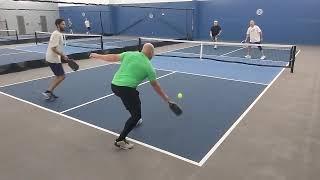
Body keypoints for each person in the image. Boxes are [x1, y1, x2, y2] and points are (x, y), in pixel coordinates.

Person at [89, 43, 173, 150]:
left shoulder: (129, 54)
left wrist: (97, 55)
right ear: (151, 53)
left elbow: (112, 57)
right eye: (154, 53)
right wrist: (167, 99)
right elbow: (156, 86)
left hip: (114, 85)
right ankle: (120, 140)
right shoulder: (149, 67)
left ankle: (135, 119)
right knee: (136, 115)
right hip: (126, 90)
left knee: (134, 99)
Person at [42, 19, 69, 100]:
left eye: (64, 24)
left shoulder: (57, 33)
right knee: (62, 76)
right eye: (63, 24)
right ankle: (48, 92)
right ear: (58, 25)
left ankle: (49, 91)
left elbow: (56, 47)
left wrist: (62, 55)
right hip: (53, 59)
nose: (64, 26)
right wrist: (63, 55)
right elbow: (53, 48)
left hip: (53, 58)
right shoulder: (57, 34)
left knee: (58, 76)